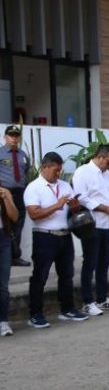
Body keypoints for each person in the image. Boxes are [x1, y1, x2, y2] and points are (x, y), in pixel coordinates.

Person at [24, 152, 89, 328]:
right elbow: (34, 214)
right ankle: (35, 314)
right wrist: (56, 206)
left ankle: (67, 309)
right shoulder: (33, 187)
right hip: (44, 236)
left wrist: (75, 208)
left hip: (65, 236)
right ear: (45, 167)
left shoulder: (66, 186)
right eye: (55, 170)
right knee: (40, 276)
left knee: (67, 275)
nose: (58, 173)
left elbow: (73, 212)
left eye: (60, 170)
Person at [73, 144, 109, 316]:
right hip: (91, 224)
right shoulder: (83, 172)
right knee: (90, 263)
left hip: (106, 224)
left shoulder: (107, 173)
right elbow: (82, 198)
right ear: (101, 157)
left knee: (104, 264)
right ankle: (87, 302)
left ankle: (102, 298)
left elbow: (108, 197)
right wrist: (107, 209)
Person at [0, 125, 31, 266]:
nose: (13, 138)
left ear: (19, 138)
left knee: (18, 224)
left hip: (20, 193)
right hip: (4, 192)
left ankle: (14, 256)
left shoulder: (23, 155)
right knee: (5, 224)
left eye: (16, 135)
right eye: (11, 135)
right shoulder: (0, 153)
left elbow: (27, 172)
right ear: (5, 137)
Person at [0, 185, 19, 336]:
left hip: (3, 239)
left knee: (3, 284)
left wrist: (6, 198)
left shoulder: (4, 191)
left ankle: (3, 322)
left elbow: (14, 216)